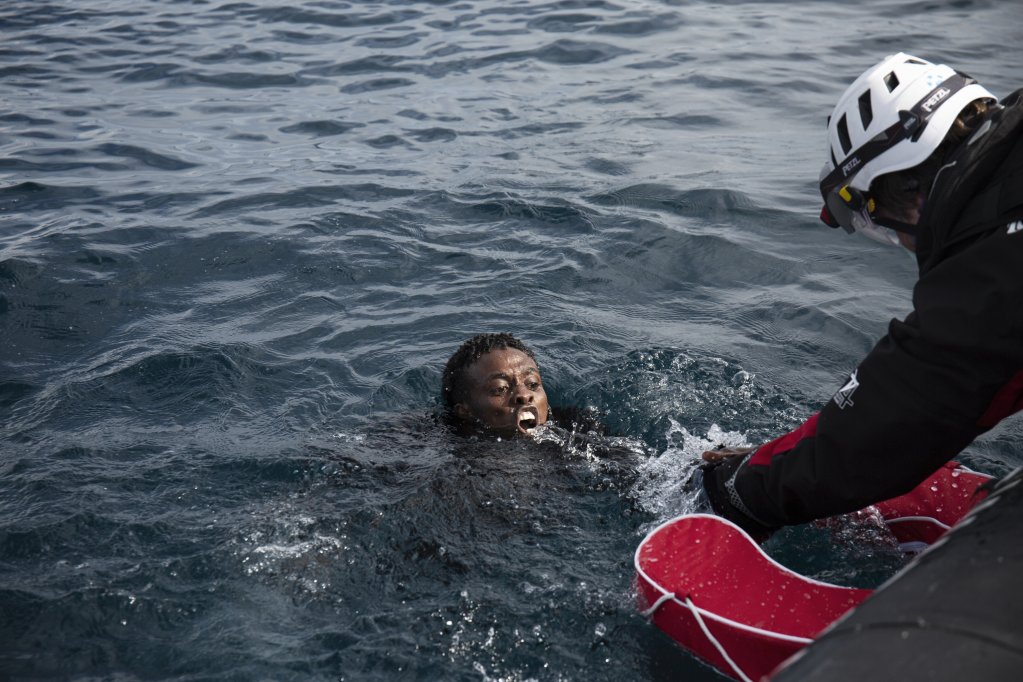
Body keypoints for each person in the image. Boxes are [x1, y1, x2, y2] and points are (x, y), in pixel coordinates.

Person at [700, 53, 1023, 537]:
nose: (901, 243)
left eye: (874, 219)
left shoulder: (993, 268)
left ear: (902, 192)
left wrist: (737, 489)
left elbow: (889, 424)